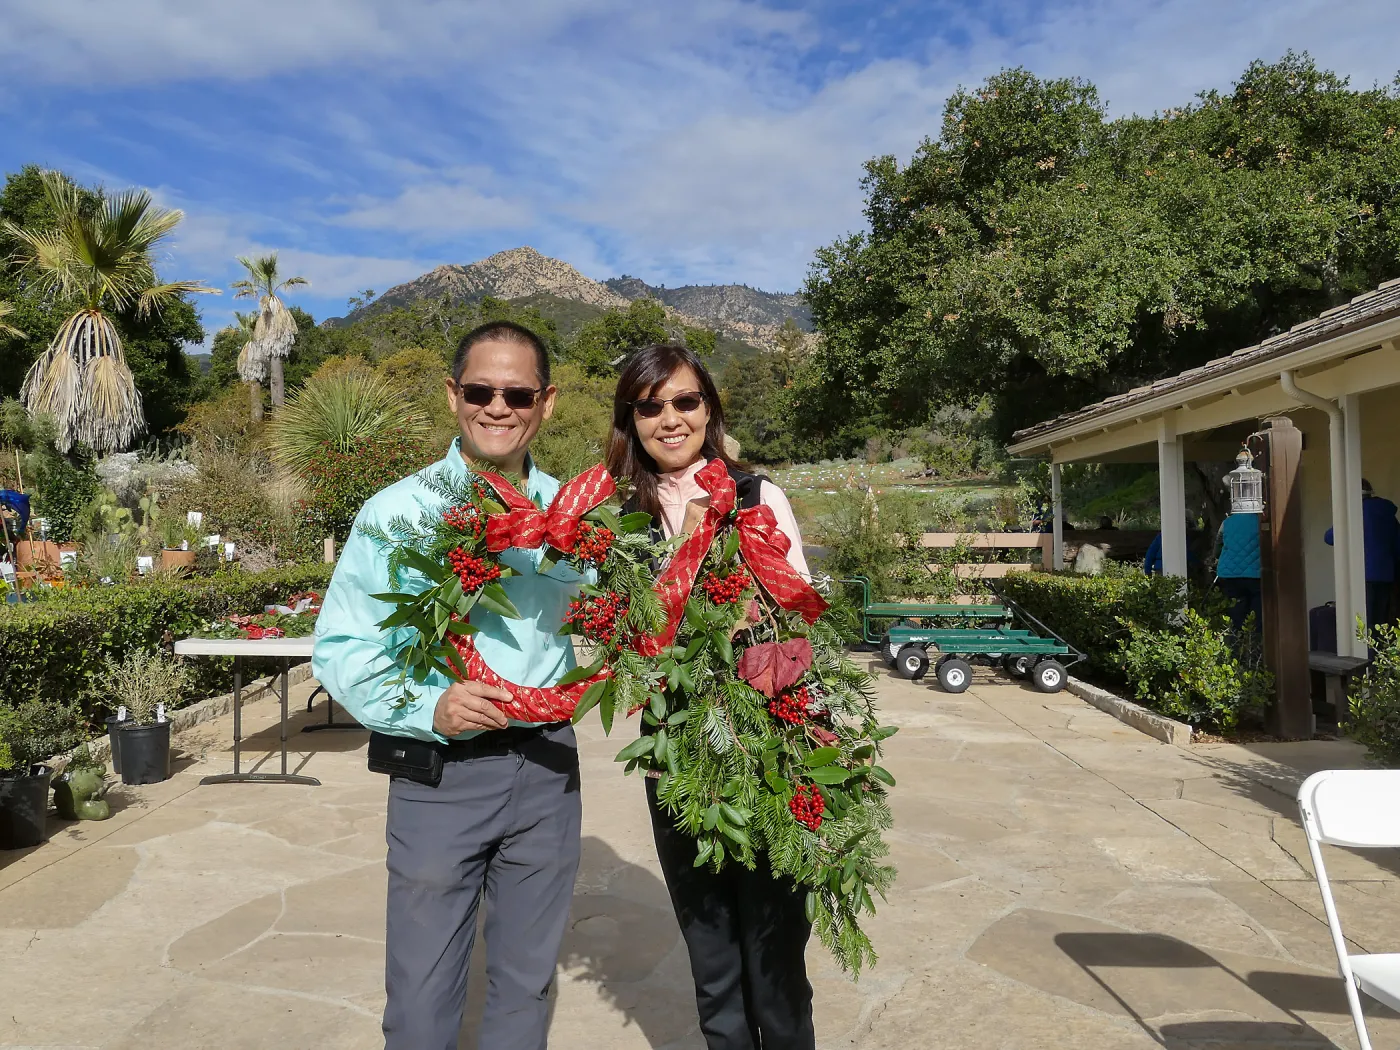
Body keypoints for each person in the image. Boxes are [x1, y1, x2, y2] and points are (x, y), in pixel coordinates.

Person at [313, 321, 583, 1050]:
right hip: (441, 774)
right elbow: (341, 646)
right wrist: (427, 705)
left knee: (526, 984)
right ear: (452, 395)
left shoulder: (573, 518)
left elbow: (623, 611)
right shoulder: (397, 513)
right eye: (479, 390)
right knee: (422, 993)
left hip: (547, 768)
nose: (497, 407)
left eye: (517, 394)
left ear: (546, 402)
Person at [606, 343, 816, 1050]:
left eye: (686, 401)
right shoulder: (618, 519)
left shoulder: (755, 497)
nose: (670, 418)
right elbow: (619, 636)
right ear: (630, 420)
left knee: (775, 954)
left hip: (766, 745)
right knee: (712, 957)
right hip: (675, 752)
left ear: (709, 410)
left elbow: (798, 618)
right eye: (650, 406)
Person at [1326, 478, 1400, 629]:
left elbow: (1330, 537)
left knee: (1362, 621)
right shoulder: (1387, 514)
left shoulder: (1354, 513)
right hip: (1386, 575)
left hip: (1361, 575)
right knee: (1381, 622)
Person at [1213, 511, 1262, 633]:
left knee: (1236, 608)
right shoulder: (1260, 521)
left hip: (1231, 574)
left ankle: (1237, 637)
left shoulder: (1227, 522)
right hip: (1255, 573)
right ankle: (1255, 638)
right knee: (1257, 609)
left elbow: (1218, 545)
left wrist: (1217, 556)